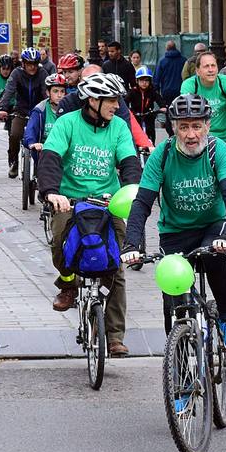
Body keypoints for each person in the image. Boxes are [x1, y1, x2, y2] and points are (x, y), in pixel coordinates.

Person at [119, 95, 226, 349]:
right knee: (174, 303)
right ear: (174, 128)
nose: (191, 134)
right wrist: (131, 243)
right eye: (184, 126)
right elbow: (142, 202)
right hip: (175, 230)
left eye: (197, 126)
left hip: (213, 225)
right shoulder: (163, 154)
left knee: (214, 256)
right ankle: (179, 367)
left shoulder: (217, 149)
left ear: (207, 127)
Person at [39, 73, 139, 356]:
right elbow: (50, 159)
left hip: (108, 202)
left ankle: (115, 335)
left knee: (115, 264)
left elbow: (129, 162)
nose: (117, 105)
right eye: (111, 99)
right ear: (93, 100)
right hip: (69, 201)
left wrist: (131, 191)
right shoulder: (67, 123)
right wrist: (51, 192)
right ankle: (68, 284)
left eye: (118, 99)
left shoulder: (118, 127)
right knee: (61, 245)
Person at [179, 50, 226, 143]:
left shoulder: (225, 82)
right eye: (206, 66)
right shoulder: (189, 85)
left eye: (213, 65)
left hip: (224, 139)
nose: (211, 70)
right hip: (200, 139)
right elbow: (186, 113)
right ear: (197, 71)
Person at [0, 48, 49, 178]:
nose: (32, 67)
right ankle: (14, 162)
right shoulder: (16, 74)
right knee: (14, 134)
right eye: (28, 64)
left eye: (34, 64)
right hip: (21, 110)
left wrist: (48, 108)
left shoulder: (42, 73)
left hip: (38, 111)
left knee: (44, 136)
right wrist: (3, 108)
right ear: (23, 64)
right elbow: (9, 90)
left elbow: (46, 93)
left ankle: (43, 164)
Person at [23, 72, 69, 164]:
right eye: (55, 91)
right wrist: (33, 143)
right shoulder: (40, 110)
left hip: (65, 150)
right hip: (45, 149)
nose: (59, 95)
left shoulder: (70, 109)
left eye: (62, 91)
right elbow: (31, 129)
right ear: (48, 92)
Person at [129, 65, 162, 145]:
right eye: (141, 80)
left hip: (149, 114)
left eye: (147, 81)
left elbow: (159, 99)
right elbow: (125, 101)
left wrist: (163, 107)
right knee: (134, 131)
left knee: (150, 130)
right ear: (137, 81)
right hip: (135, 115)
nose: (144, 83)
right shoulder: (133, 91)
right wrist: (129, 110)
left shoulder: (152, 91)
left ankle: (152, 145)